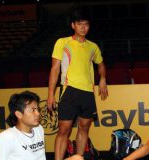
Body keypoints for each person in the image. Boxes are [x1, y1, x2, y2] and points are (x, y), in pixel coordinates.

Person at [46, 7, 108, 160]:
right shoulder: (62, 42)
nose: (83, 27)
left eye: (86, 24)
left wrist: (103, 78)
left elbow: (100, 64)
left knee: (84, 128)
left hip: (88, 93)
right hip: (69, 91)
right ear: (73, 25)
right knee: (63, 130)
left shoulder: (93, 47)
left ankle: (78, 157)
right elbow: (55, 69)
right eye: (79, 24)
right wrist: (50, 95)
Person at [0, 91, 83, 160]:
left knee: (78, 158)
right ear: (19, 114)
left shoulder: (38, 129)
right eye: (33, 110)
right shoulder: (5, 138)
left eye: (37, 109)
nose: (38, 113)